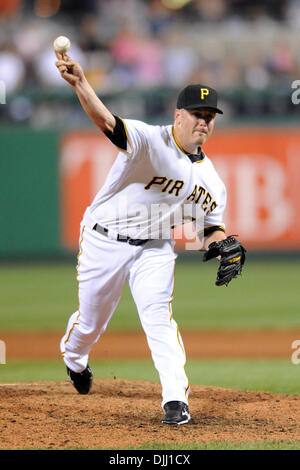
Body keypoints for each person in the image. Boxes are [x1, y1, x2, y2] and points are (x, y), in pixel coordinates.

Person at [55, 50, 245, 426]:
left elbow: (209, 227)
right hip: (104, 240)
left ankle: (175, 400)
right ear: (178, 115)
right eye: (197, 114)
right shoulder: (146, 139)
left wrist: (225, 247)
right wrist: (80, 82)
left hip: (156, 247)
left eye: (209, 118)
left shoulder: (212, 180)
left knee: (159, 319)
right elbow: (105, 121)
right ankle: (74, 357)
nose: (203, 123)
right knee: (91, 323)